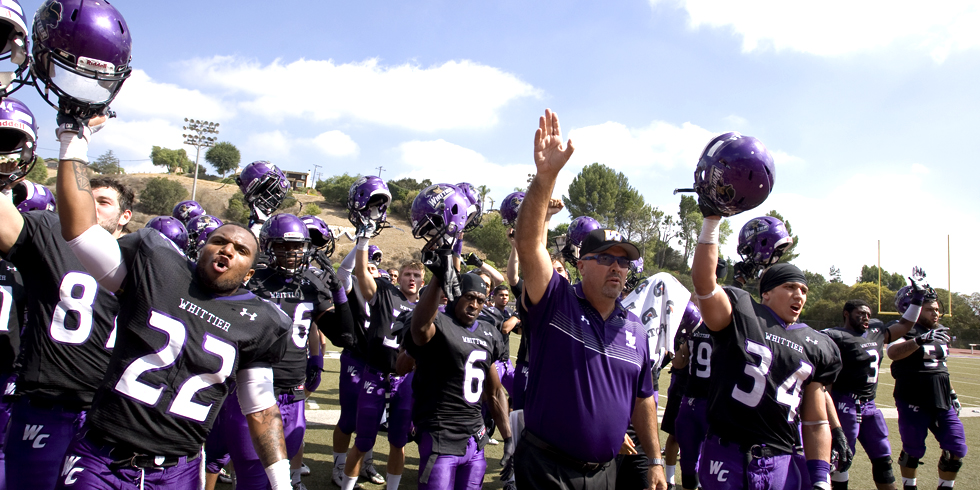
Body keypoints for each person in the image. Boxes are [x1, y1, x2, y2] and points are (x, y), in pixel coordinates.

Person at [52, 115, 293, 488]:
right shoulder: (157, 266)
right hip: (103, 455)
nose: (227, 248)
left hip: (176, 469)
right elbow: (81, 231)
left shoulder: (261, 322)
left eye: (241, 249)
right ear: (201, 248)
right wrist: (74, 143)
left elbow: (261, 410)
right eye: (219, 241)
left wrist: (281, 483)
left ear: (250, 272)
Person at [513, 109, 666, 490]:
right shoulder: (555, 302)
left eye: (624, 262)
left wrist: (656, 460)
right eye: (607, 259)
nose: (618, 268)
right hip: (546, 470)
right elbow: (529, 244)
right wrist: (546, 178)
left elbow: (643, 398)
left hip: (604, 475)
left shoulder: (635, 328)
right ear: (581, 265)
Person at [0, 175, 132, 490]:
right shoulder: (48, 236)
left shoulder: (142, 260)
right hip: (45, 405)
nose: (92, 209)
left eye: (103, 202)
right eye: (87, 201)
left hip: (105, 417)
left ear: (125, 216)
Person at [693, 227, 841, 490]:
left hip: (779, 458)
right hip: (727, 450)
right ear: (767, 293)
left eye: (804, 290)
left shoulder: (818, 344)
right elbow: (704, 284)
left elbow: (816, 419)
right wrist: (712, 222)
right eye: (790, 287)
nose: (800, 295)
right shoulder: (743, 310)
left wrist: (821, 476)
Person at [210, 213, 332, 490]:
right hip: (253, 388)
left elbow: (323, 327)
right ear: (267, 246)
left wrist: (316, 358)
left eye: (297, 246)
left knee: (279, 478)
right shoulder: (252, 278)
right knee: (251, 477)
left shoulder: (311, 283)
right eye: (283, 246)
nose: (292, 254)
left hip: (293, 391)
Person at [339, 216, 424, 490]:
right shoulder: (386, 292)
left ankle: (393, 488)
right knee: (363, 439)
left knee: (399, 441)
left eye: (417, 276)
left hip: (406, 381)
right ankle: (347, 486)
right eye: (408, 274)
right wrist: (363, 239)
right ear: (399, 276)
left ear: (423, 281)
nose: (412, 279)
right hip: (374, 374)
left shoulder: (427, 308)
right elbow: (362, 273)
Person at [407, 271, 512, 489]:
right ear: (456, 295)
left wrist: (509, 438)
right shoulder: (438, 321)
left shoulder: (488, 332)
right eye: (469, 297)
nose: (474, 305)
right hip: (441, 434)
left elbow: (494, 392)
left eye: (480, 300)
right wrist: (438, 277)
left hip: (475, 438)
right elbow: (419, 330)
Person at [822, 297, 918, 490]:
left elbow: (906, 324)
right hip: (845, 402)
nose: (865, 317)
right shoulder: (835, 335)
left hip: (869, 405)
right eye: (860, 313)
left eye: (868, 314)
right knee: (841, 458)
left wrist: (917, 300)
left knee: (883, 457)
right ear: (846, 314)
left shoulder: (876, 330)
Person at [887, 286, 967, 490]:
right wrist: (918, 340)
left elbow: (941, 367)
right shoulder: (902, 328)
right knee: (913, 450)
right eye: (930, 308)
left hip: (942, 397)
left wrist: (952, 392)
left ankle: (945, 487)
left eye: (937, 309)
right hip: (913, 397)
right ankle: (910, 487)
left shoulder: (940, 330)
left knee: (956, 447)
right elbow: (893, 353)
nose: (936, 313)